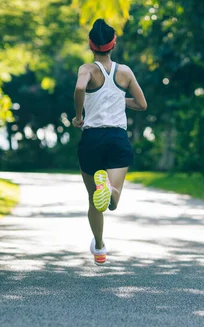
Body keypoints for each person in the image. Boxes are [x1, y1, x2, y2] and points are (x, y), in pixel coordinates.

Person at [72, 19, 147, 266]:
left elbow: (80, 88)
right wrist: (119, 99)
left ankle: (100, 248)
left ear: (91, 45)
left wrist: (79, 115)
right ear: (113, 44)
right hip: (117, 138)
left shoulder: (87, 69)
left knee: (94, 201)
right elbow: (142, 105)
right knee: (111, 201)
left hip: (92, 138)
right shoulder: (125, 72)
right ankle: (110, 191)